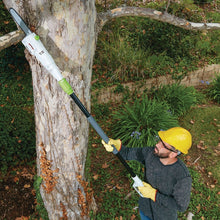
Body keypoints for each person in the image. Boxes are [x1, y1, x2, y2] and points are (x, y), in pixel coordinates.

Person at [101, 127, 192, 220]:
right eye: (160, 140)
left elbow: (181, 206)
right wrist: (117, 147)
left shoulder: (182, 177)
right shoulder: (151, 153)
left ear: (173, 153)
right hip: (145, 210)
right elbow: (128, 153)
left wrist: (154, 195)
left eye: (163, 145)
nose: (157, 144)